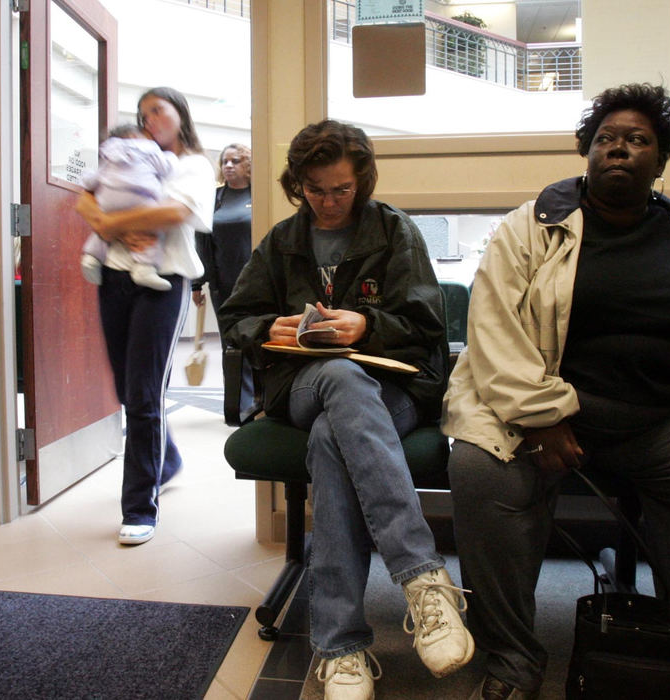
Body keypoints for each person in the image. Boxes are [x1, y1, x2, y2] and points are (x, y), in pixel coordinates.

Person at [442, 84, 670, 700]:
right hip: (549, 411)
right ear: (586, 151)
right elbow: (494, 333)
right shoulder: (532, 227)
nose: (619, 150)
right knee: (479, 471)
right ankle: (512, 662)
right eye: (606, 139)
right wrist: (544, 417)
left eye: (637, 140)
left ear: (660, 158)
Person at [218, 120, 474, 699]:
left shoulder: (394, 231)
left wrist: (368, 325)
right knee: (336, 375)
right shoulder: (282, 240)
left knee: (335, 435)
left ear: (361, 181)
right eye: (315, 190)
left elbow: (428, 325)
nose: (329, 202)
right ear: (298, 184)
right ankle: (423, 578)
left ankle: (340, 648)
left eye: (341, 189)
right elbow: (236, 320)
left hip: (393, 389)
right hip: (303, 383)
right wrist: (270, 326)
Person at [74, 87, 215, 546]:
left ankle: (138, 507)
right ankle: (166, 458)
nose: (150, 118)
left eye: (159, 109)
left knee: (143, 394)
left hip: (163, 283)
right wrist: (108, 219)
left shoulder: (192, 163)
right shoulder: (125, 155)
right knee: (128, 391)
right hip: (113, 279)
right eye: (143, 113)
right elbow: (84, 200)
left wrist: (108, 223)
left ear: (180, 113)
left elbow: (179, 211)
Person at [80, 123, 179, 292]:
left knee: (103, 227)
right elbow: (166, 167)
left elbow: (92, 181)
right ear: (135, 137)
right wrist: (171, 157)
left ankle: (91, 257)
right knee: (151, 230)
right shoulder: (148, 150)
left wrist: (88, 181)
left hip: (108, 202)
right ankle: (144, 268)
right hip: (139, 200)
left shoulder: (108, 155)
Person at [193, 143, 254, 407]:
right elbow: (202, 240)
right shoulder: (215, 198)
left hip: (256, 284)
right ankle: (238, 402)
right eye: (225, 161)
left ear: (249, 165)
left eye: (236, 161)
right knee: (230, 344)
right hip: (223, 284)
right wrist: (197, 283)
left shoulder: (259, 194)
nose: (228, 166)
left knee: (257, 341)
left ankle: (261, 400)